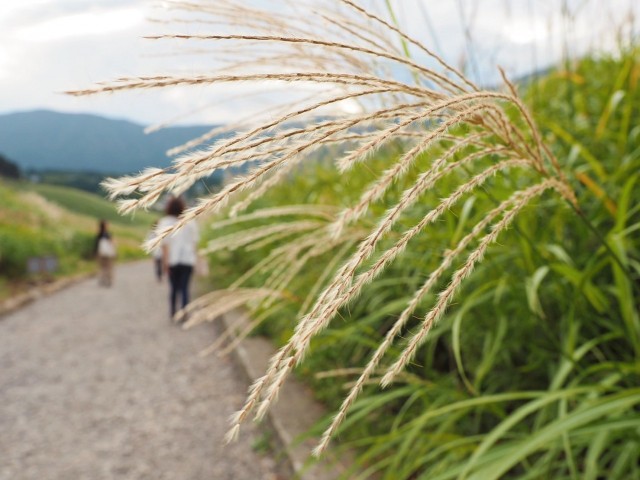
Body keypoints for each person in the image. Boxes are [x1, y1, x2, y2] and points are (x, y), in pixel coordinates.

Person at [157, 196, 200, 319]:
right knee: (185, 288)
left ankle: (173, 312)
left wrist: (164, 263)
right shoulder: (190, 222)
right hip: (187, 260)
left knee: (174, 288)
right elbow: (194, 243)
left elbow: (164, 246)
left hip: (172, 260)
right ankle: (185, 312)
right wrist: (195, 260)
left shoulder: (164, 222)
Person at [95, 219, 116, 287]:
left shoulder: (99, 234)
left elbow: (96, 244)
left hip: (101, 253)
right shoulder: (108, 234)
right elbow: (112, 243)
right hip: (108, 254)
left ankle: (103, 280)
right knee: (109, 267)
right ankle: (109, 280)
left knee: (102, 267)